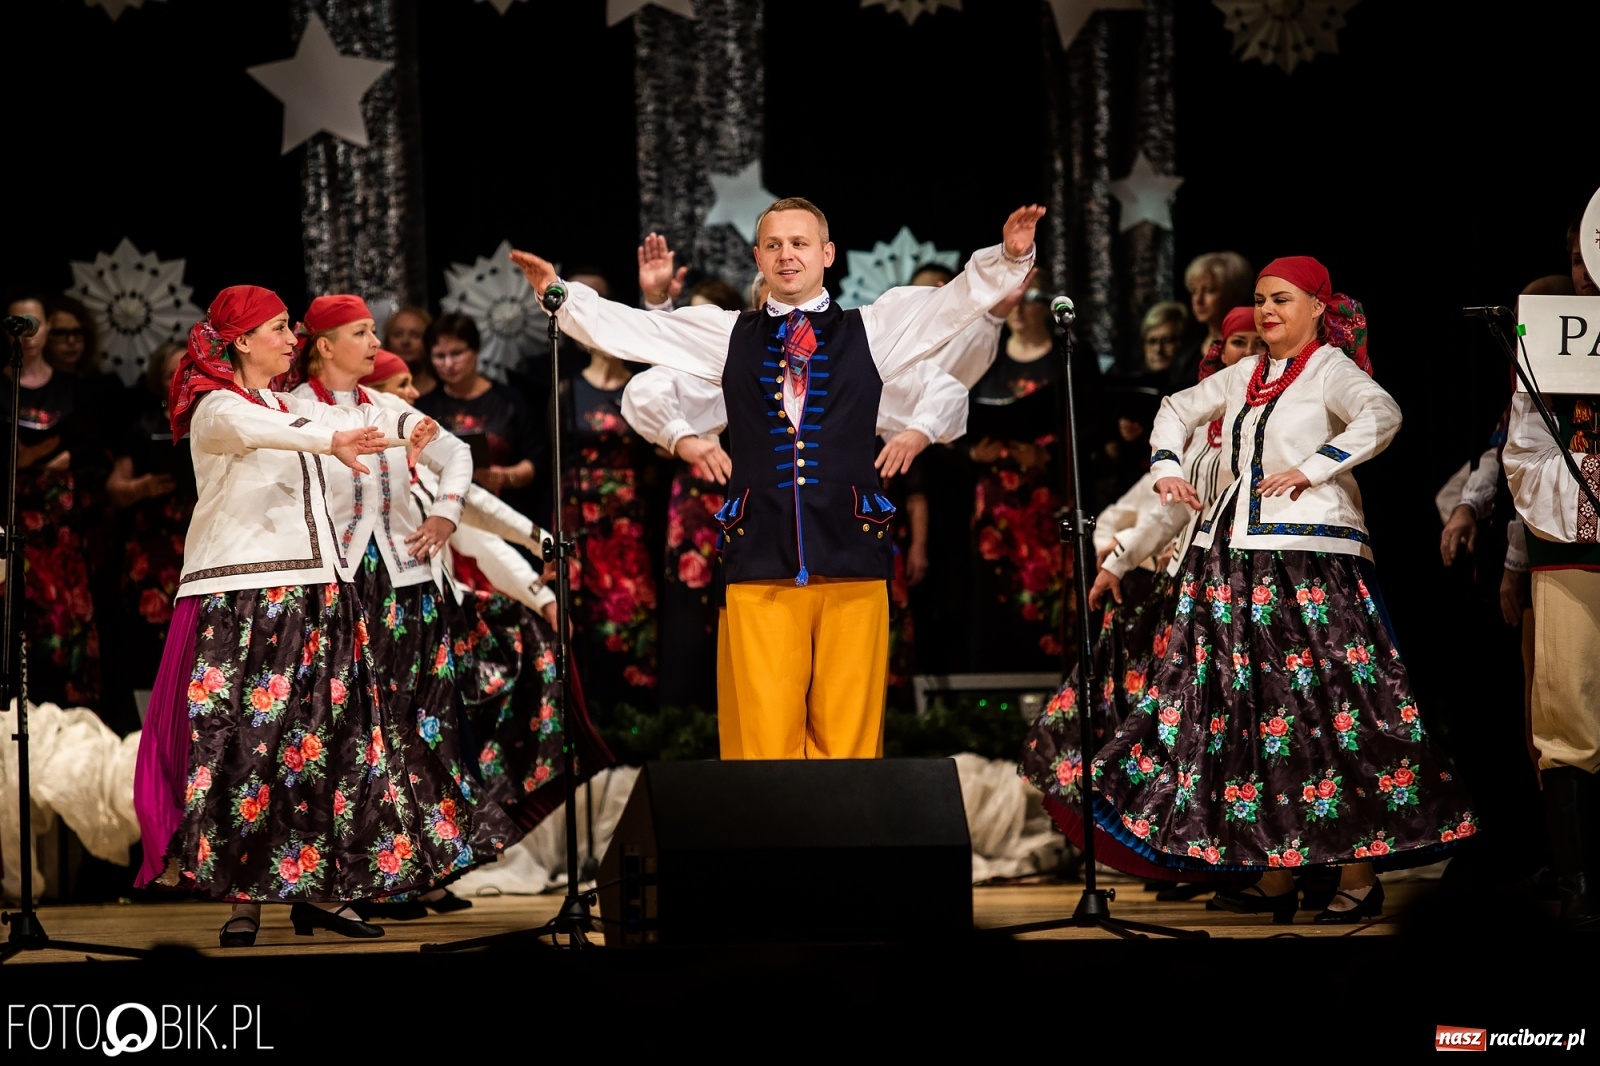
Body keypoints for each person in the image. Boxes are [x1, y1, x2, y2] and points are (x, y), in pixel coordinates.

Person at [512, 198, 1043, 759]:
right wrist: (562, 297)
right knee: (766, 738)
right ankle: (773, 845)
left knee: (849, 740)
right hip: (759, 554)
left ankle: (845, 843)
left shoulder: (874, 328)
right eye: (774, 245)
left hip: (851, 550)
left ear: (827, 254)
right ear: (758, 258)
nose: (787, 255)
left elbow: (951, 303)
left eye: (800, 243)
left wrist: (1008, 258)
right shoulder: (728, 334)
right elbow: (638, 332)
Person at [1088, 257, 1477, 923]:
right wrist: (1166, 470)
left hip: (1308, 566)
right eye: (1262, 300)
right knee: (1257, 723)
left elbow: (1381, 415)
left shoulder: (1330, 369)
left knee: (1330, 715)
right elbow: (1173, 409)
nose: (1268, 312)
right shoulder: (1246, 375)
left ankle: (1357, 870)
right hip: (1236, 566)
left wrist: (1313, 466)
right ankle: (1280, 866)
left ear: (1319, 307)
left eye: (1282, 300)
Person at [131, 284, 469, 948]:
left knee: (326, 749)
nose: (293, 340)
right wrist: (338, 435)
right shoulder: (219, 408)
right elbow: (282, 429)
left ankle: (327, 891)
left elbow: (333, 414)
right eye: (281, 328)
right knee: (245, 754)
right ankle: (245, 901)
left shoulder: (288, 401)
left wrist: (412, 430)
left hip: (318, 594)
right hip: (245, 598)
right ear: (245, 341)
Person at [1021, 306, 1265, 899]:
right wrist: (1117, 559)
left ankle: (1267, 868)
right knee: (1197, 734)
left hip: (1261, 585)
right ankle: (1210, 860)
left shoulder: (1286, 413)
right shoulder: (1209, 424)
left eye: (1259, 340)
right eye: (1236, 342)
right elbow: (1172, 505)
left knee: (1255, 730)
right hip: (1199, 589)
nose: (1248, 352)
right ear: (1218, 352)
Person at [290, 294, 516, 916]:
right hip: (333, 582)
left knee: (417, 723)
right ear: (325, 345)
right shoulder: (293, 411)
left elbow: (458, 454)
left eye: (371, 331)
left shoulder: (389, 406)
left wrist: (445, 513)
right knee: (344, 729)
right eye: (360, 333)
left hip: (404, 582)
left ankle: (409, 869)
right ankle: (336, 879)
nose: (373, 341)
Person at [1501, 214, 1600, 929]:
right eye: (1576, 258)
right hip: (1572, 546)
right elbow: (1523, 451)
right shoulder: (1549, 339)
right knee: (1568, 712)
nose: (1585, 272)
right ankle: (1578, 885)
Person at [0, 290, 103, 710]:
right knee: (21, 619)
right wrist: (35, 458)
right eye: (17, 326)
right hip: (15, 520)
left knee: (69, 621)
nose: (27, 336)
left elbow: (94, 452)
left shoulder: (73, 389)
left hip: (62, 527)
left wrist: (56, 458)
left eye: (34, 325)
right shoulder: (1, 386)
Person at [102, 340, 193, 731]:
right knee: (148, 645)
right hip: (152, 551)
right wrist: (144, 487)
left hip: (200, 544)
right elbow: (114, 489)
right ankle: (147, 733)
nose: (181, 379)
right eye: (172, 372)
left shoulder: (216, 420)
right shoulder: (143, 425)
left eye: (188, 371)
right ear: (159, 379)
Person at [415, 312, 540, 523]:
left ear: (476, 351)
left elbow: (535, 457)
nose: (448, 363)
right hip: (444, 512)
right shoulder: (424, 406)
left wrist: (505, 476)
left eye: (456, 353)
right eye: (439, 356)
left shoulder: (509, 400)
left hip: (503, 508)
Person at [1167, 251, 1253, 390]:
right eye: (1194, 291)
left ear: (1235, 294)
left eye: (1209, 290)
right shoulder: (1185, 354)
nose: (1198, 300)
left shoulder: (1253, 351)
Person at [383, 305, 436, 398]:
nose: (405, 341)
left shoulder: (449, 390)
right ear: (387, 342)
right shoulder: (374, 395)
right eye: (397, 334)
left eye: (415, 335)